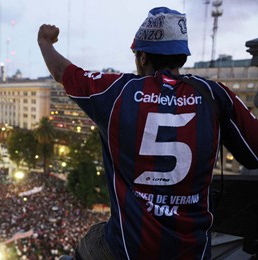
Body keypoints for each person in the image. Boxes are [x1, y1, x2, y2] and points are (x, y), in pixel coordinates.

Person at [38, 6, 258, 260]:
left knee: (91, 240)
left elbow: (62, 72)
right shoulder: (216, 94)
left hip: (128, 250)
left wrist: (45, 42)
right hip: (193, 252)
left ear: (142, 58)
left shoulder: (117, 91)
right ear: (181, 57)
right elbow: (253, 154)